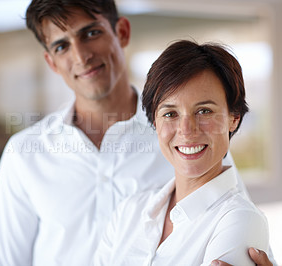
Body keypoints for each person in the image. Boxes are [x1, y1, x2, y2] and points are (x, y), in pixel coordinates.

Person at [0, 0, 275, 265]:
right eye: (62, 46)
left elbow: (242, 230)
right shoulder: (23, 154)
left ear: (121, 31)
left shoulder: (189, 142)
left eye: (91, 33)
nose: (81, 55)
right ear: (51, 63)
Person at [93, 40, 269, 265]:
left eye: (204, 111)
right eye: (170, 114)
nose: (187, 130)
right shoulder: (129, 212)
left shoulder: (241, 220)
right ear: (154, 122)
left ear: (233, 118)